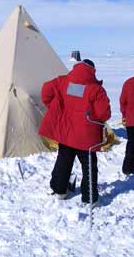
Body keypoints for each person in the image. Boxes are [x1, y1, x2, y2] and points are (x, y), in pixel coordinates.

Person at [39, 59, 111, 204]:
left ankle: (60, 190)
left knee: (63, 160)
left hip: (66, 132)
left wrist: (53, 106)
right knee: (89, 166)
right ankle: (89, 197)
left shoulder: (62, 81)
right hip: (86, 136)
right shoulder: (96, 89)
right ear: (92, 71)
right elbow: (104, 113)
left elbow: (46, 91)